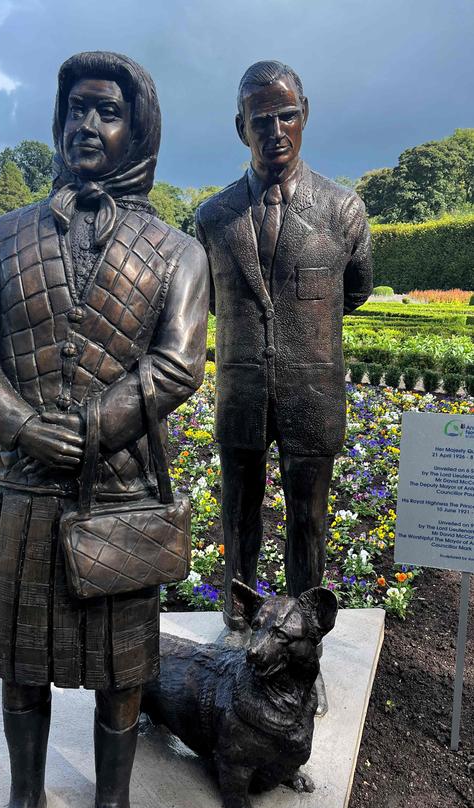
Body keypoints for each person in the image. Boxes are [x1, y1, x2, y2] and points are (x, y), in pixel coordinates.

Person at [0, 51, 208, 808]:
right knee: (21, 659)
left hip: (116, 490)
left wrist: (89, 427)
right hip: (23, 487)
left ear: (138, 128)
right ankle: (25, 799)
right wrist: (18, 424)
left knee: (120, 668)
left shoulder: (177, 252)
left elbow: (176, 364)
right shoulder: (6, 234)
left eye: (107, 112)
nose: (88, 126)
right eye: (77, 111)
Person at [195, 60, 371, 709]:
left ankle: (302, 653)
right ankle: (238, 629)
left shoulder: (343, 210)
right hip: (241, 393)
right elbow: (211, 300)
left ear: (305, 114)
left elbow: (355, 289)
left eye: (287, 114)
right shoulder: (212, 218)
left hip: (312, 393)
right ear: (240, 126)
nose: (276, 130)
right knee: (237, 516)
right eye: (261, 119)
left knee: (309, 525)